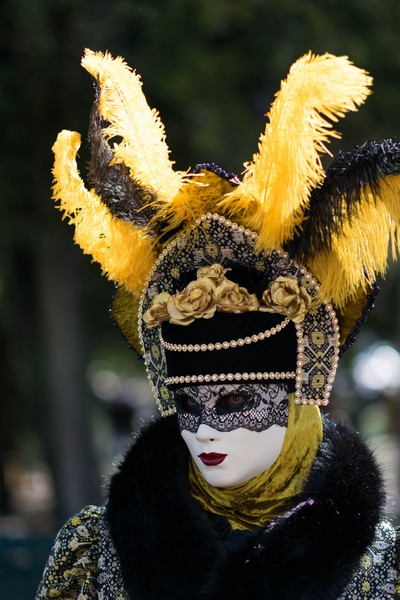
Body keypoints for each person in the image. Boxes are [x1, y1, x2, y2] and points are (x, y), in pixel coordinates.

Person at [36, 50, 400, 599]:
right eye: (189, 403)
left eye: (233, 401)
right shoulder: (94, 555)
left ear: (299, 391)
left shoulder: (383, 569)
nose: (204, 428)